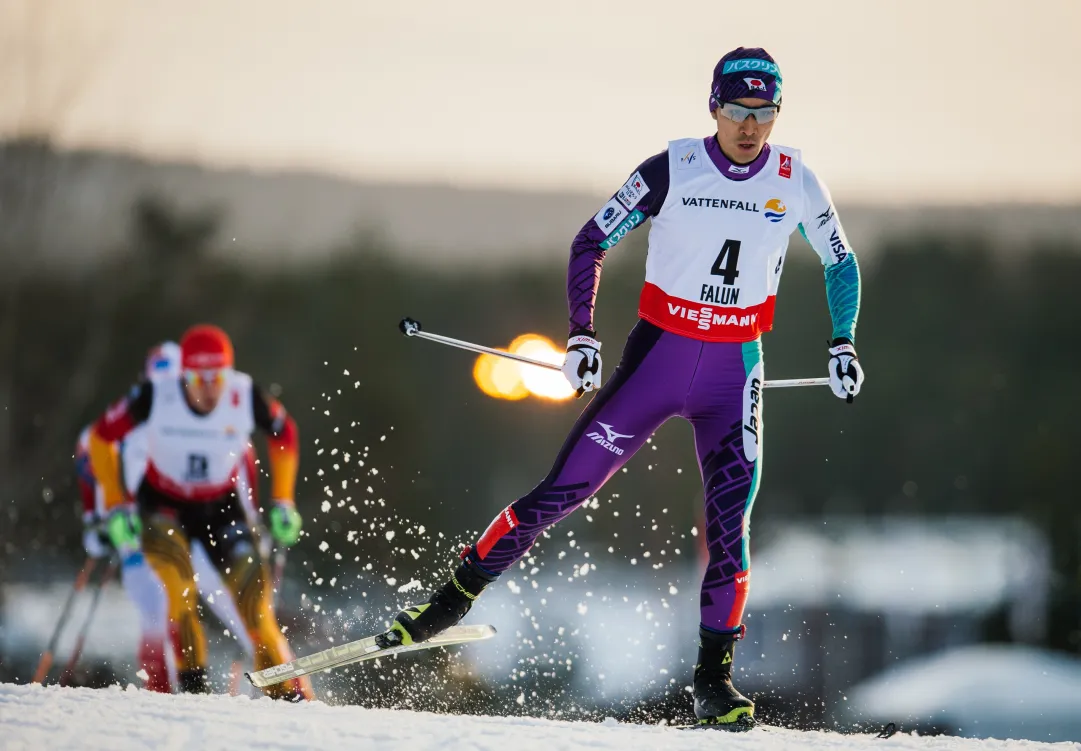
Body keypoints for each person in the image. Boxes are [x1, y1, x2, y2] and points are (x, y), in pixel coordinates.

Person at [386, 47, 864, 729]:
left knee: (730, 526)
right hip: (657, 360)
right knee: (562, 492)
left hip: (735, 372)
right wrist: (580, 333)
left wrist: (841, 340)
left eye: (764, 112)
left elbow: (840, 260)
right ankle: (448, 600)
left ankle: (712, 681)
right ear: (713, 106)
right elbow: (590, 240)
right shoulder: (671, 169)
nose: (750, 126)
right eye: (737, 110)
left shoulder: (796, 178)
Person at [88, 324, 312, 700]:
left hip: (222, 507)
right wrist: (115, 505)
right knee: (179, 593)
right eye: (198, 377)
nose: (209, 388)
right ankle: (195, 696)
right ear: (183, 374)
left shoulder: (243, 393)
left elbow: (284, 433)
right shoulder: (155, 395)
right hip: (163, 505)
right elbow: (100, 437)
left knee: (256, 606)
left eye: (217, 377)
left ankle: (286, 699)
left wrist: (284, 501)